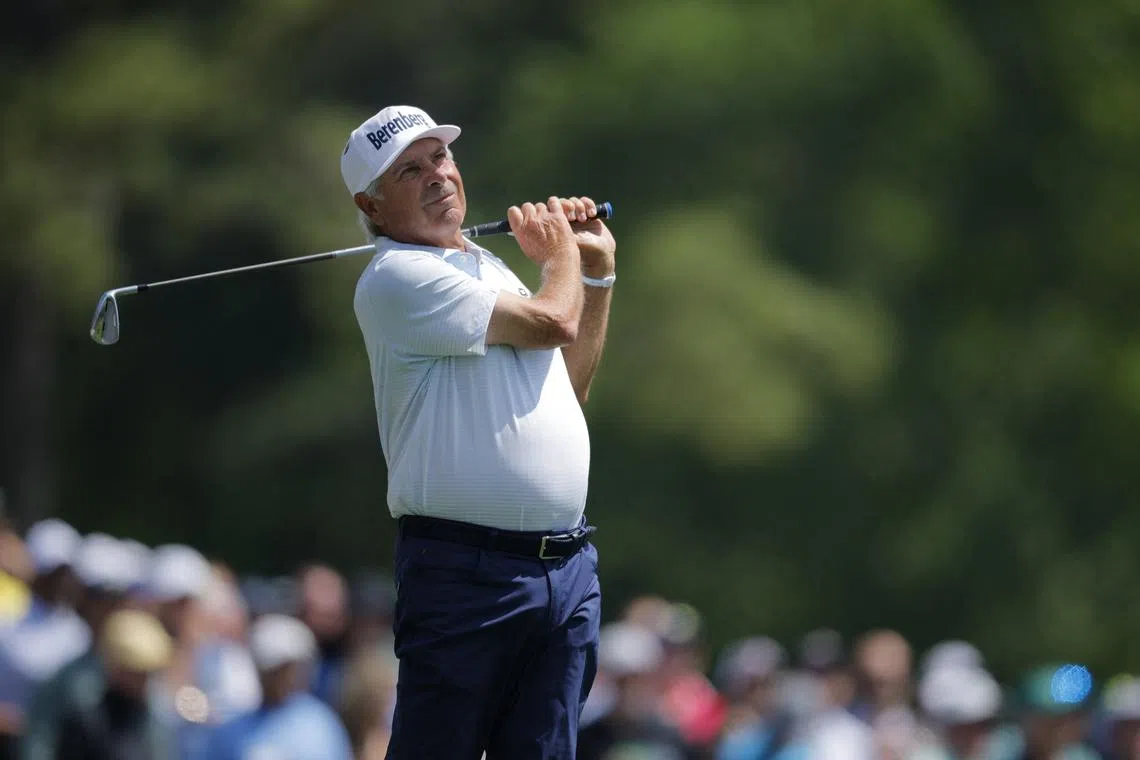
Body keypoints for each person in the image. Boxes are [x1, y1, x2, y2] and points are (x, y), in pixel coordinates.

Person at [343, 103, 616, 759]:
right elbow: (555, 322)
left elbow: (564, 392)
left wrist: (595, 275)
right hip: (467, 573)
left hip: (565, 568)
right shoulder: (396, 278)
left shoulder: (487, 268)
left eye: (440, 157)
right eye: (409, 171)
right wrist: (557, 260)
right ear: (373, 206)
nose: (437, 175)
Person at [20, 533, 143, 760]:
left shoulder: (142, 660)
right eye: (100, 596)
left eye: (117, 597)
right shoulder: (64, 656)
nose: (110, 607)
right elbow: (40, 742)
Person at [204, 614, 352, 760]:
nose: (278, 677)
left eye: (285, 669)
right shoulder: (232, 730)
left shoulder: (320, 725)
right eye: (272, 670)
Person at [0, 520, 89, 760]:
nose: (61, 580)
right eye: (53, 572)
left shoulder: (79, 635)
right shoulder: (7, 622)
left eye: (65, 572)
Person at [53, 608, 177, 760]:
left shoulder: (152, 720)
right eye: (137, 672)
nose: (144, 680)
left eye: (147, 673)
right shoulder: (88, 719)